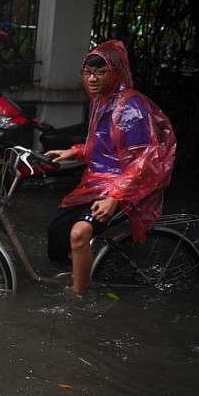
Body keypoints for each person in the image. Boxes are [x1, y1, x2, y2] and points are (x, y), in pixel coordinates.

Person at [44, 40, 176, 295]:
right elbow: (104, 148)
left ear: (115, 73)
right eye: (88, 72)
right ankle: (79, 267)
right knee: (57, 229)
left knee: (79, 233)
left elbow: (144, 160)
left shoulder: (131, 109)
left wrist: (115, 197)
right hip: (101, 184)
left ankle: (78, 300)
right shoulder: (100, 102)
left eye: (99, 72)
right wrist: (75, 151)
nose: (92, 78)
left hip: (130, 191)